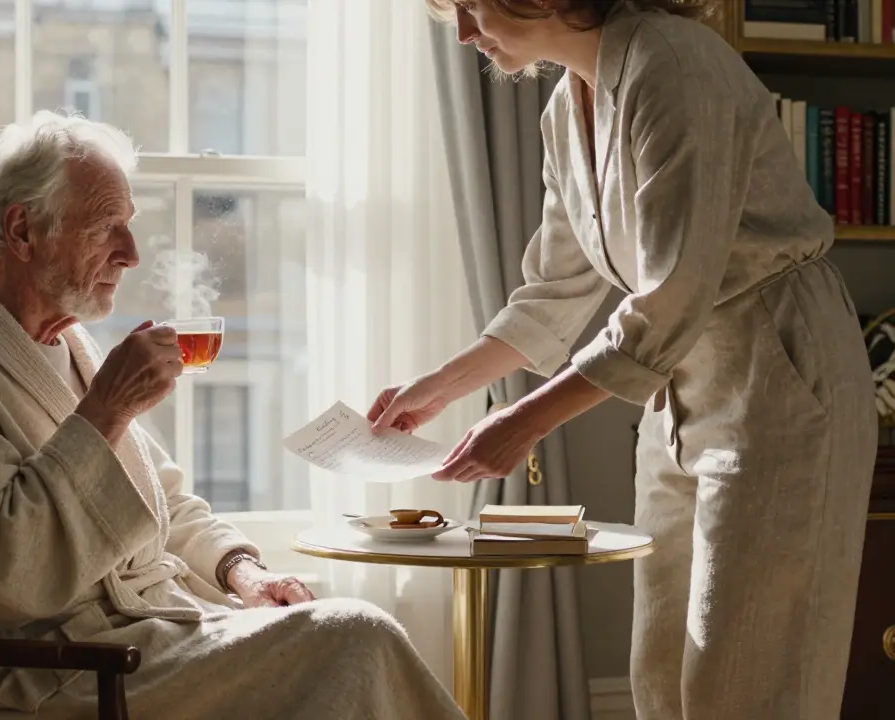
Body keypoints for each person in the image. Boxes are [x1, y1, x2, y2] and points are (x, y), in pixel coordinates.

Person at [0, 111, 466, 720]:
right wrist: (106, 409)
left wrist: (239, 570)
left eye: (131, 226)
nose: (132, 253)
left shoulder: (62, 344)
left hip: (138, 643)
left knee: (340, 636)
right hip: (49, 677)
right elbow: (6, 574)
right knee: (351, 634)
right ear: (22, 230)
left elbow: (158, 500)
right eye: (106, 227)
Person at [371, 1, 878, 718]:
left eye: (469, 4)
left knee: (749, 679)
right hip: (676, 395)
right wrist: (438, 387)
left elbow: (670, 295)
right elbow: (554, 293)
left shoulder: (673, 63)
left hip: (779, 372)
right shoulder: (562, 108)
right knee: (663, 675)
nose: (461, 32)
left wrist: (524, 421)